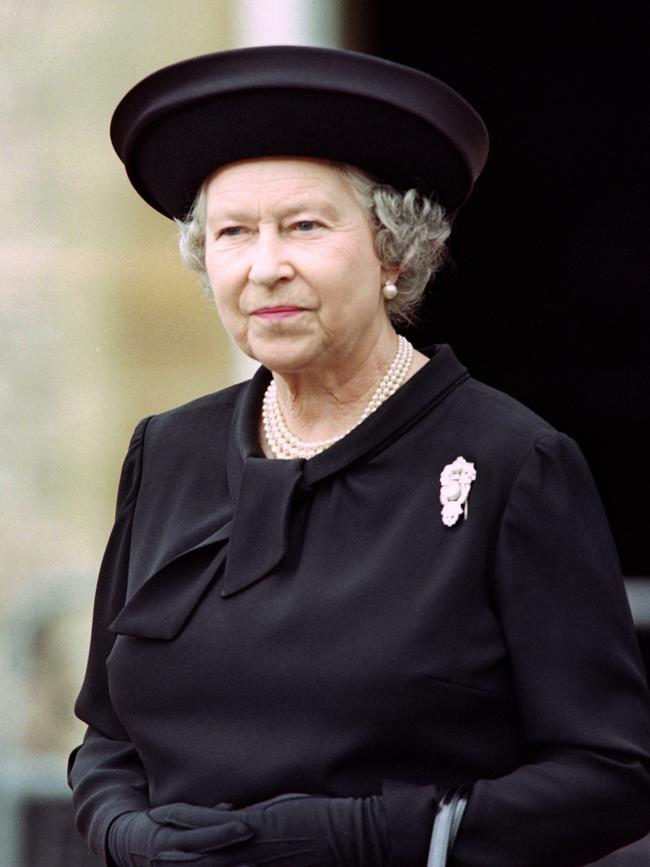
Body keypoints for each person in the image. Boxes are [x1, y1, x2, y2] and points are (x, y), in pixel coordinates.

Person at [68, 45, 650, 867]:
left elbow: (613, 773)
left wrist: (375, 836)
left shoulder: (512, 461)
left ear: (393, 253)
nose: (266, 266)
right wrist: (129, 836)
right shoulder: (167, 450)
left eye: (305, 225)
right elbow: (107, 738)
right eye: (234, 232)